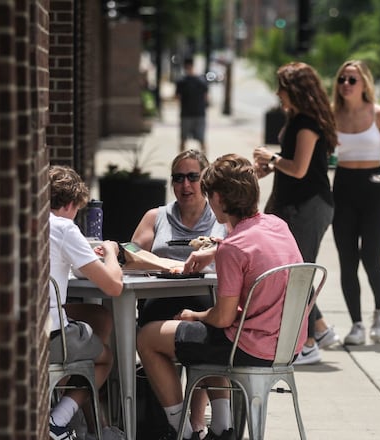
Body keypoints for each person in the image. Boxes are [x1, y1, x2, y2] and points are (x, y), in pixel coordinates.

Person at [136, 154, 304, 440]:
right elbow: (250, 246)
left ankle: (182, 431)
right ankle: (221, 427)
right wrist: (214, 251)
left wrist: (194, 315)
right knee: (206, 334)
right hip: (287, 345)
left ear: (218, 198)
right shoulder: (277, 225)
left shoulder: (232, 248)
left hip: (248, 347)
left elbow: (222, 317)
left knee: (149, 337)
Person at [130, 149, 227, 436]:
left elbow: (238, 253)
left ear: (205, 180)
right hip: (160, 299)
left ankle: (217, 426)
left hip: (205, 300)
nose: (185, 185)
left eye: (193, 177)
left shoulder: (220, 218)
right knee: (146, 331)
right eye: (178, 178)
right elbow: (131, 252)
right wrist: (161, 262)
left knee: (210, 332)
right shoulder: (157, 216)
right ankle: (182, 426)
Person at [252, 61, 340, 365]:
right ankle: (319, 328)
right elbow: (292, 165)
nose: (278, 93)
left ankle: (309, 343)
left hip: (309, 206)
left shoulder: (306, 123)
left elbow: (299, 169)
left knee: (297, 274)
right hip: (297, 204)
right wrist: (269, 166)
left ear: (296, 90)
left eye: (282, 87)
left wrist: (272, 158)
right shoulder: (297, 119)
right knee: (293, 271)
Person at [331, 60, 380, 345]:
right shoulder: (332, 115)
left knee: (371, 258)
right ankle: (357, 324)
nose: (346, 85)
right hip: (344, 187)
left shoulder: (379, 114)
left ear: (364, 84)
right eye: (342, 80)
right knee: (347, 261)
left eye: (352, 80)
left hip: (375, 187)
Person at [48, 165, 124, 440]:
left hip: (23, 326)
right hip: (51, 337)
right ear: (70, 204)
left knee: (99, 317)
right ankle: (58, 419)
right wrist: (111, 252)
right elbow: (113, 286)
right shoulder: (65, 228)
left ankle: (90, 423)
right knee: (105, 359)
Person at [176, 57, 209, 154]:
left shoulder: (181, 81)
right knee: (202, 140)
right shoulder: (201, 80)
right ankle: (206, 164)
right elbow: (206, 97)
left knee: (183, 139)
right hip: (199, 113)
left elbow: (177, 97)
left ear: (184, 67)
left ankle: (180, 162)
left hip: (186, 114)